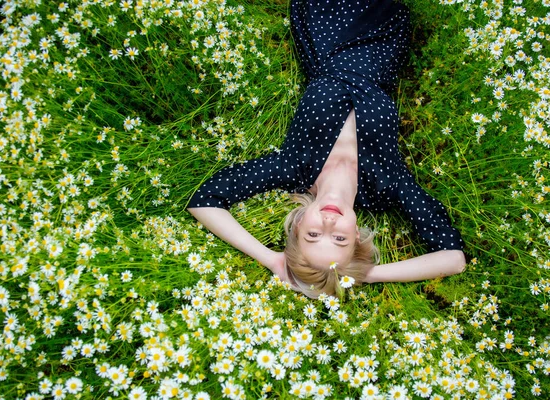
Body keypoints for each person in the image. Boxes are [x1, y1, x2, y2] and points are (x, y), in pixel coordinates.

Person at [187, 0, 466, 298]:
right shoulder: (388, 185)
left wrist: (271, 259)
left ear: (297, 227)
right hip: (384, 31)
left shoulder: (291, 168)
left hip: (327, 26)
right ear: (356, 235)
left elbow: (203, 201)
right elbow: (453, 258)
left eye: (314, 235)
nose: (329, 222)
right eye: (340, 239)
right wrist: (362, 274)